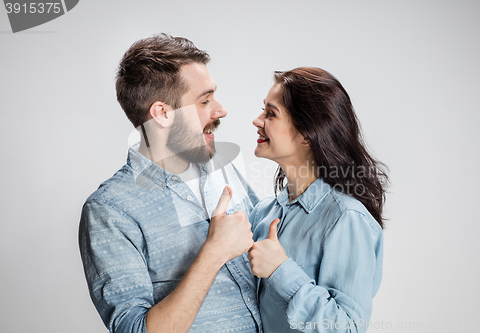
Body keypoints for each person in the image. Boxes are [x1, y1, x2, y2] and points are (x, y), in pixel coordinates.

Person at [78, 34, 262, 333]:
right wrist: (213, 252)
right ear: (162, 113)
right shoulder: (110, 211)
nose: (220, 110)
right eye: (204, 100)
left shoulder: (223, 172)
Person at [248, 67, 389, 332]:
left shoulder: (346, 218)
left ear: (306, 133)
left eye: (271, 113)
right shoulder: (262, 213)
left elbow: (347, 327)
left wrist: (281, 270)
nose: (257, 120)